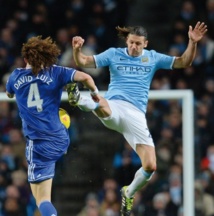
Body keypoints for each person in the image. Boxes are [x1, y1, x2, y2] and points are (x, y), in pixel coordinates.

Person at [67, 21, 207, 216]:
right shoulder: (114, 54)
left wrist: (192, 42)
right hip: (115, 105)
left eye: (138, 44)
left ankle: (129, 192)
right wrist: (76, 50)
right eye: (131, 42)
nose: (134, 47)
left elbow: (184, 62)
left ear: (146, 44)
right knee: (102, 105)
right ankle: (78, 98)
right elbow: (83, 62)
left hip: (136, 116)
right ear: (127, 40)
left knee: (150, 165)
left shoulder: (153, 58)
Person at [5, 36, 99, 216]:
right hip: (61, 139)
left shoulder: (15, 76)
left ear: (25, 59)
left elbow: (9, 93)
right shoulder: (55, 71)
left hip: (38, 144)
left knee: (41, 199)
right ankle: (74, 100)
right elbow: (86, 77)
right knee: (58, 115)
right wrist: (95, 93)